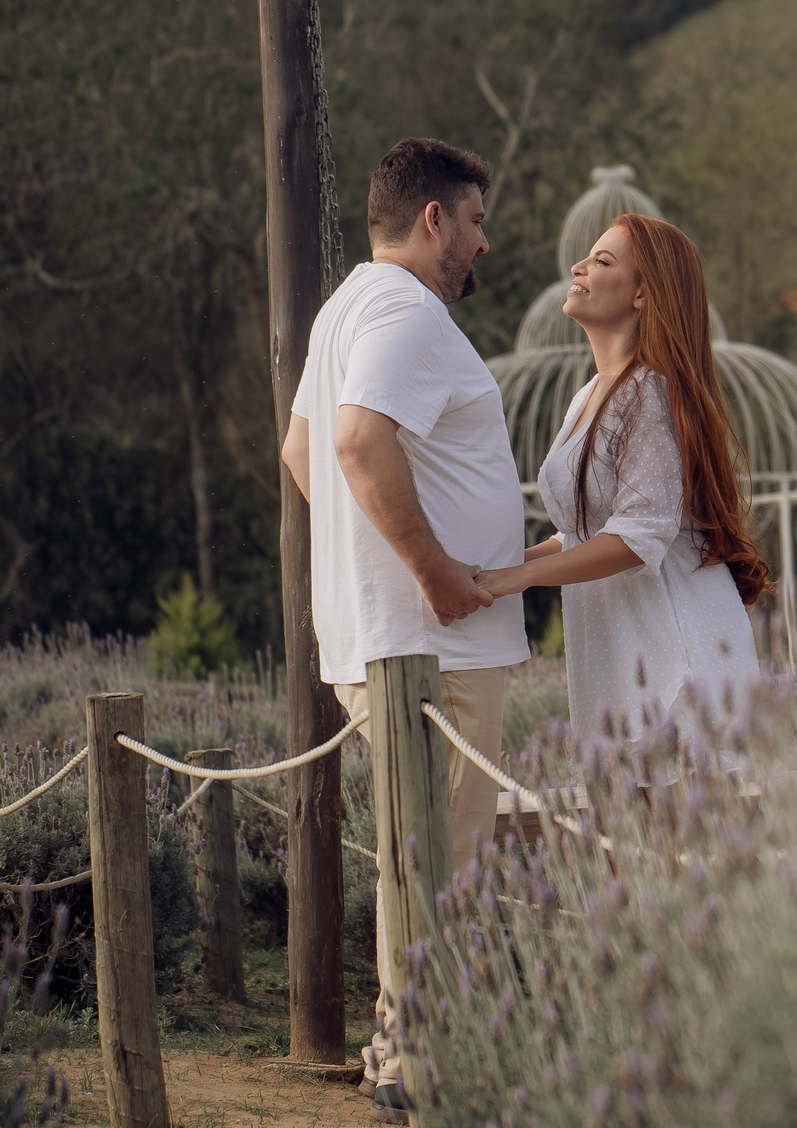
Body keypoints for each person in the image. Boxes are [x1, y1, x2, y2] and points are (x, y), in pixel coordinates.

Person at [279, 138, 525, 1123]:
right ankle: (424, 1067)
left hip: (393, 642)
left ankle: (406, 1052)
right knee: (443, 872)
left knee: (420, 860)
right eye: (473, 220)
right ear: (433, 221)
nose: (481, 241)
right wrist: (429, 572)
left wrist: (365, 557)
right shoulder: (404, 309)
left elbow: (300, 450)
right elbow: (346, 441)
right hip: (435, 649)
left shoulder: (348, 305)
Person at [480, 214, 767, 759]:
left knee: (675, 838)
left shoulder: (648, 395)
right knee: (628, 836)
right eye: (587, 257)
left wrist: (516, 577)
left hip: (672, 650)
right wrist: (502, 567)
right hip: (617, 653)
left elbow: (637, 536)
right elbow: (584, 534)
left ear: (642, 294)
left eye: (603, 261)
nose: (578, 266)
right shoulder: (589, 395)